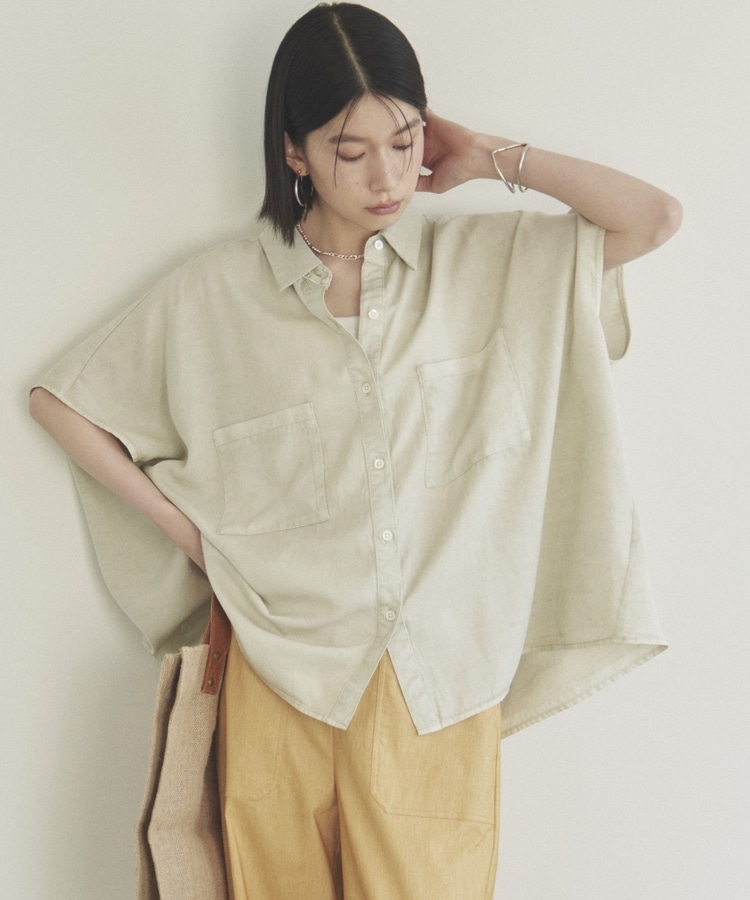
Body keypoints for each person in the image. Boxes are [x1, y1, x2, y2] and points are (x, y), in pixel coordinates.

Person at [29, 3, 681, 897]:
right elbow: (65, 404)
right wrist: (195, 539)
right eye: (350, 150)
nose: (387, 176)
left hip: (433, 691)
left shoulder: (484, 267)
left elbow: (653, 218)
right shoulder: (216, 296)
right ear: (293, 152)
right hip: (278, 683)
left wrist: (489, 156)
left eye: (405, 142)